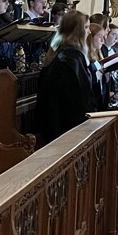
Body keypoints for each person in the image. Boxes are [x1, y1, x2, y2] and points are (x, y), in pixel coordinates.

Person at [33, 11, 99, 147]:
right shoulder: (71, 59)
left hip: (56, 125)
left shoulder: (62, 51)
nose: (89, 32)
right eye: (86, 28)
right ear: (77, 31)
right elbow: (77, 100)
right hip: (66, 130)